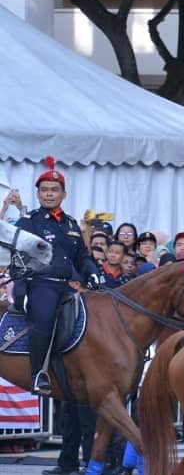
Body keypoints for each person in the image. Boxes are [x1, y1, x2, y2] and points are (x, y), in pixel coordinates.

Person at [19, 157, 102, 396]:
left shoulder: (71, 224)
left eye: (54, 190)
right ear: (38, 194)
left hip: (67, 286)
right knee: (44, 318)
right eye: (44, 190)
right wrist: (23, 291)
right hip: (41, 284)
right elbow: (20, 259)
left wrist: (93, 274)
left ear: (63, 194)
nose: (48, 194)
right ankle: (39, 374)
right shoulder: (30, 222)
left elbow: (82, 257)